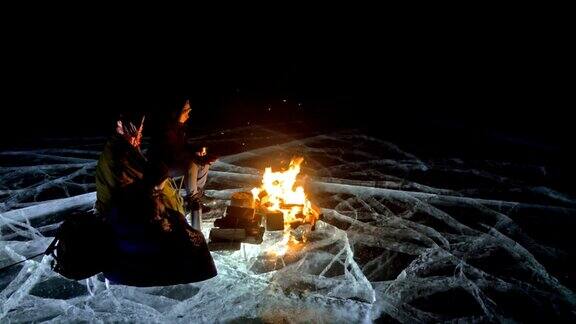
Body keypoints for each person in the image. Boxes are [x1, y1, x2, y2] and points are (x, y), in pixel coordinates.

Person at [148, 98, 216, 215]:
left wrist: (196, 151)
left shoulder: (179, 126)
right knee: (191, 164)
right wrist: (193, 156)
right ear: (176, 111)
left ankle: (197, 194)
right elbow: (171, 153)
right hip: (163, 166)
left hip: (176, 160)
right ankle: (192, 201)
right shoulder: (167, 128)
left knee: (203, 162)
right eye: (186, 110)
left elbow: (183, 146)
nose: (189, 112)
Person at [95, 115, 146, 218]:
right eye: (139, 129)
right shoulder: (122, 153)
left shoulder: (116, 144)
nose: (140, 134)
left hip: (114, 209)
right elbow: (148, 179)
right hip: (117, 215)